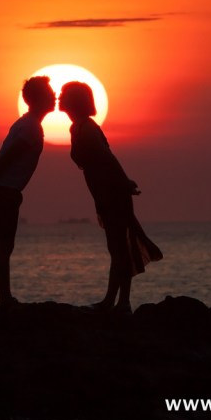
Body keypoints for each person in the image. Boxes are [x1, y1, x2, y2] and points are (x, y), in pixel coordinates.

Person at [58, 81, 162, 315]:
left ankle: (120, 302)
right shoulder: (77, 127)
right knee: (116, 248)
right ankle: (113, 301)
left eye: (64, 93)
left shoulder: (86, 129)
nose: (59, 96)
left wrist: (124, 182)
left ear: (75, 100)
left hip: (113, 193)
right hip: (104, 193)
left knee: (119, 249)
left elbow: (108, 158)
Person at [0, 76, 56, 312]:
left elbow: (2, 157)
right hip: (3, 192)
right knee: (2, 247)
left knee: (4, 247)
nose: (54, 96)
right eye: (49, 93)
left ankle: (5, 299)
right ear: (38, 98)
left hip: (2, 190)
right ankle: (5, 300)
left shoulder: (26, 123)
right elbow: (6, 158)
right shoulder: (30, 127)